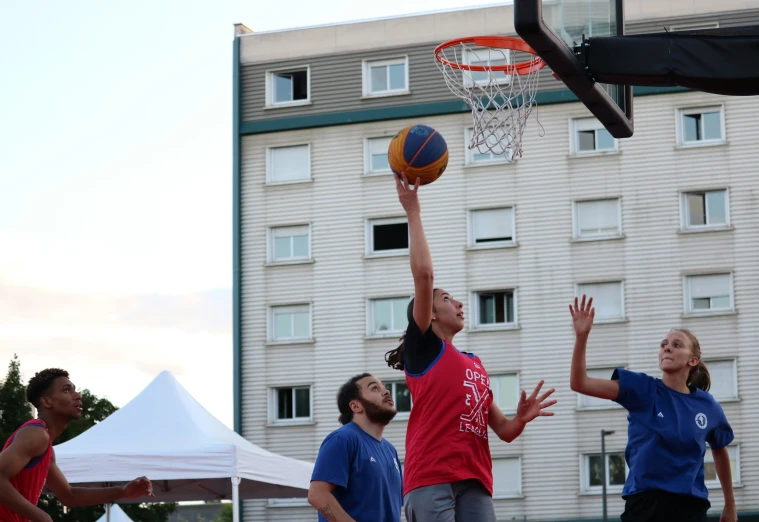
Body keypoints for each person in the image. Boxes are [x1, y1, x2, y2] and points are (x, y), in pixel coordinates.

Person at [385, 173, 557, 522]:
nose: (459, 304)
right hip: (431, 476)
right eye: (448, 300)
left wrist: (520, 419)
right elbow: (424, 276)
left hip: (475, 479)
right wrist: (413, 212)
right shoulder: (424, 348)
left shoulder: (474, 363)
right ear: (429, 314)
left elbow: (504, 432)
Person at [569, 295, 737, 522]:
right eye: (663, 345)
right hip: (645, 503)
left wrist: (730, 504)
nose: (667, 348)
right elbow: (580, 383)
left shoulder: (707, 405)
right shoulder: (643, 389)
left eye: (677, 345)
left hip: (690, 506)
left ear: (693, 360)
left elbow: (719, 449)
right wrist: (582, 337)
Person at [0, 368, 154, 522]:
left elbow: (69, 496)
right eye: (67, 390)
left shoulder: (46, 447)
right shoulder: (36, 434)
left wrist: (123, 491)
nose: (77, 396)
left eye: (74, 390)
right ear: (47, 402)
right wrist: (42, 517)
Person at [308, 373, 402, 522]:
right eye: (375, 388)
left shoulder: (390, 450)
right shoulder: (342, 439)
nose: (386, 391)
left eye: (384, 387)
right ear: (355, 406)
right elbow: (317, 495)